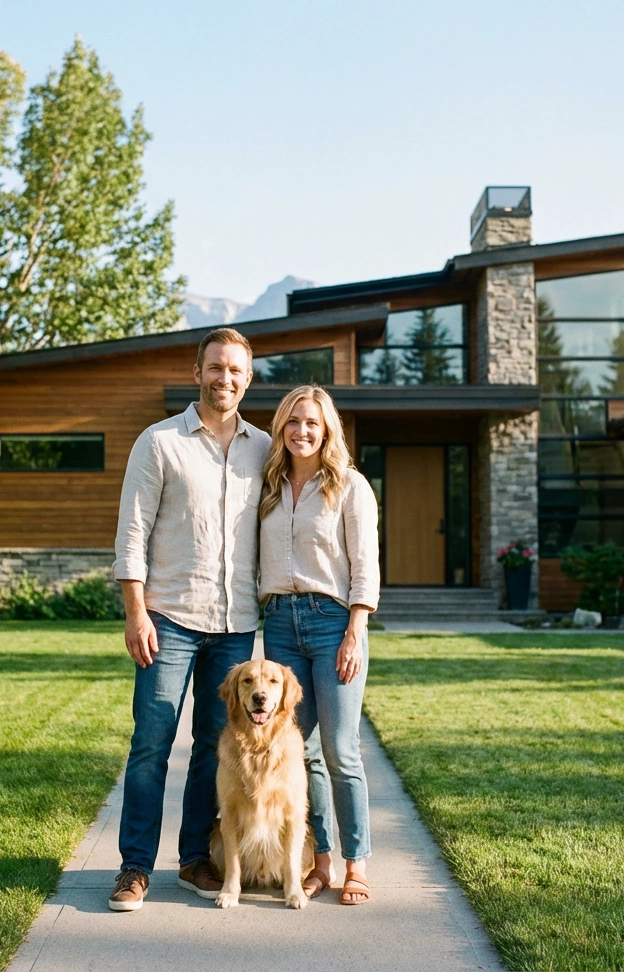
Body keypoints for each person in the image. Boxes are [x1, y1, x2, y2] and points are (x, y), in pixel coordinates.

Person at [108, 328, 271, 912]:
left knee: (212, 744)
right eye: (216, 367)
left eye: (236, 370)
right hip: (169, 617)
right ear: (197, 370)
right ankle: (133, 868)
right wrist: (135, 611)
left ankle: (194, 858)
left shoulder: (264, 448)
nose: (225, 378)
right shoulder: (158, 443)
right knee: (151, 743)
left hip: (234, 626)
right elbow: (132, 533)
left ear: (247, 379)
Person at [259, 384, 380, 905]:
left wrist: (356, 631)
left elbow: (365, 565)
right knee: (301, 753)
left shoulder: (350, 486)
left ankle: (357, 864)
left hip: (333, 623)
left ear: (327, 429)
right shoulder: (268, 487)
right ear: (281, 427)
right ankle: (322, 861)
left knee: (340, 750)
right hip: (281, 623)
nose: (302, 431)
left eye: (312, 423)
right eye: (293, 422)